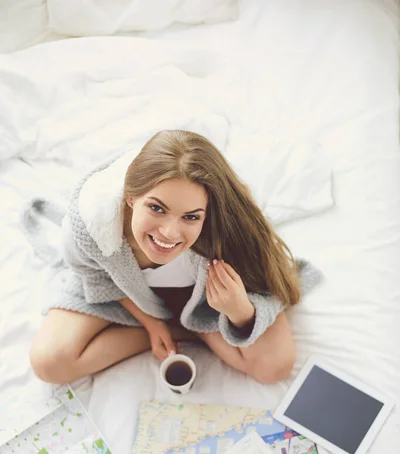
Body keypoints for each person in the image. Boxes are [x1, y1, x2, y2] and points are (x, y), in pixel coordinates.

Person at [29, 130, 320, 385]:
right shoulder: (92, 221)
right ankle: (184, 331)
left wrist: (238, 310)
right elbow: (90, 274)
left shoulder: (231, 233)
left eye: (191, 217)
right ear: (131, 196)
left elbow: (272, 284)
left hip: (206, 304)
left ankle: (196, 327)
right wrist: (151, 323)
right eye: (156, 208)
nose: (169, 233)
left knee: (274, 368)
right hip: (130, 298)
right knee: (49, 363)